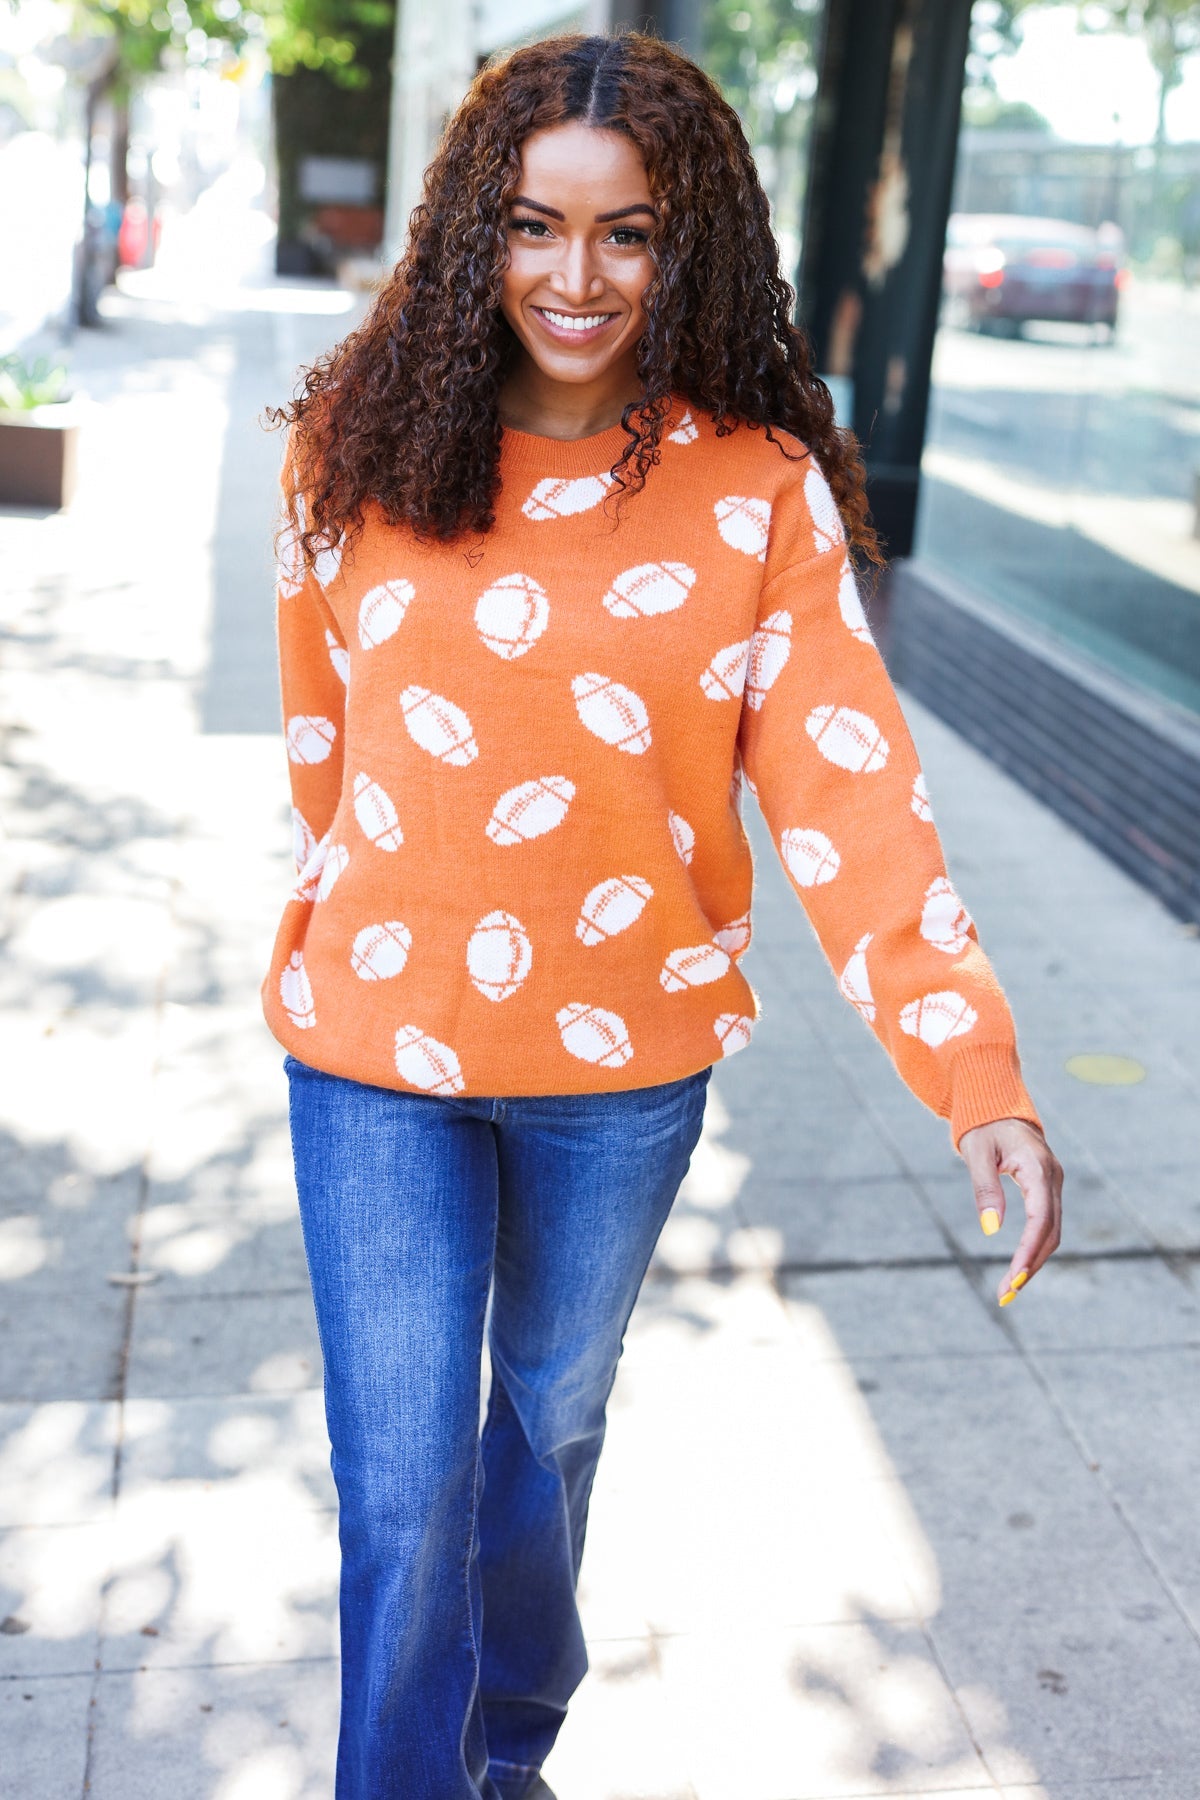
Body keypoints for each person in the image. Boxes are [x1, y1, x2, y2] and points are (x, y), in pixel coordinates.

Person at [263, 30, 1064, 1800]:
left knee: (543, 1427)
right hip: (372, 1056)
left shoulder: (752, 487)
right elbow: (326, 755)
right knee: (404, 1490)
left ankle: (508, 1746)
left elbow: (853, 797)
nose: (577, 276)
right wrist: (358, 914)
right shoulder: (350, 450)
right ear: (475, 230)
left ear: (683, 241)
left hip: (619, 1071)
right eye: (537, 227)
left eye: (625, 234)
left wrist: (977, 1073)